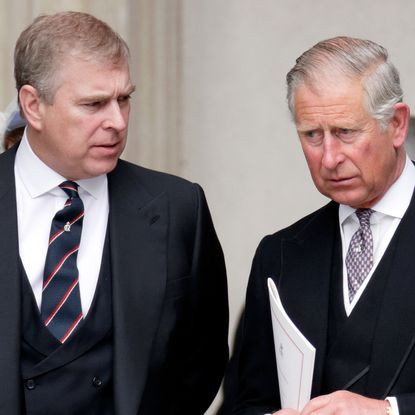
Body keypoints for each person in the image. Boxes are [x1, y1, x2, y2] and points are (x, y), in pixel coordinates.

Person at [2, 11, 228, 414]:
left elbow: (203, 362)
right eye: (94, 104)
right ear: (33, 106)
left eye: (124, 99)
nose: (117, 121)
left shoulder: (178, 208)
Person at [229, 37, 415, 415]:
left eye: (346, 132)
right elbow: (243, 400)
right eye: (312, 135)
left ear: (396, 125)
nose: (329, 158)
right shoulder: (278, 255)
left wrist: (389, 411)